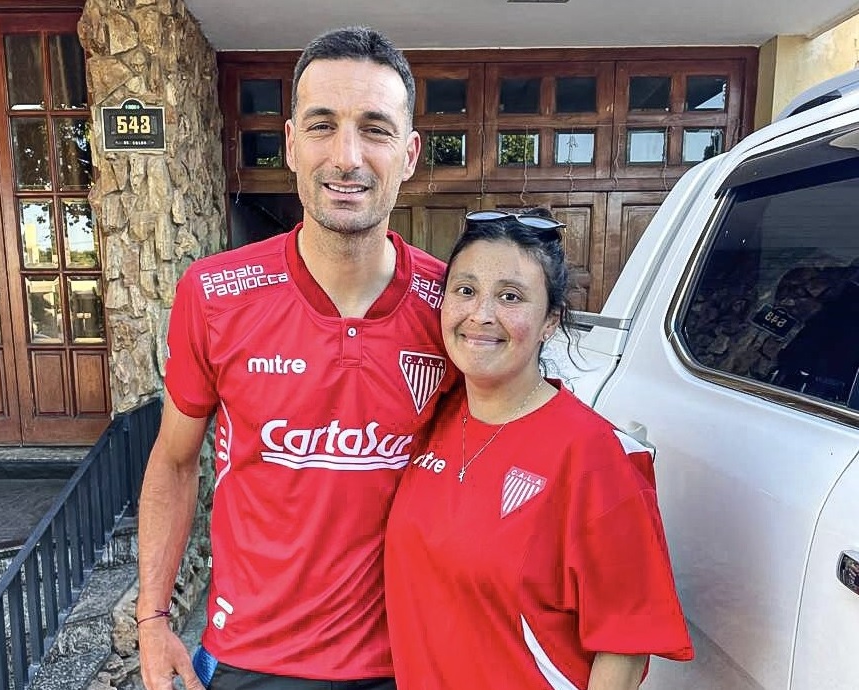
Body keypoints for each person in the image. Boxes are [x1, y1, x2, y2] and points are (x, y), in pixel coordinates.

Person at [137, 26, 453, 690]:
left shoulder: (453, 310)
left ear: (410, 153)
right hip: (252, 662)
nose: (346, 156)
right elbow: (174, 458)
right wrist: (152, 619)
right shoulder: (215, 294)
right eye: (321, 125)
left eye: (375, 129)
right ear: (288, 143)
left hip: (416, 658)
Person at [384, 208, 693, 690]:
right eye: (465, 291)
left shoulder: (593, 455)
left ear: (550, 321)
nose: (480, 314)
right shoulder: (433, 418)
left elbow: (625, 646)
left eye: (510, 297)